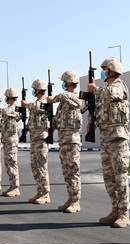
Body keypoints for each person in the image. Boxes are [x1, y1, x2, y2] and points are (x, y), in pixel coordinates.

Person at [88, 58, 130, 228]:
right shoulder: (104, 90)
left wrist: (95, 90)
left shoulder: (119, 85)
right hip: (106, 138)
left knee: (120, 177)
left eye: (104, 69)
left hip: (118, 139)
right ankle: (115, 210)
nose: (102, 72)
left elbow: (113, 93)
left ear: (112, 70)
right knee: (109, 178)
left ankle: (124, 214)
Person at [48, 71, 82, 213]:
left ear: (68, 83)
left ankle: (76, 202)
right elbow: (57, 120)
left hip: (72, 141)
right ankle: (70, 198)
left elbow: (75, 102)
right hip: (63, 140)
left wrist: (53, 98)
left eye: (64, 82)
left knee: (73, 171)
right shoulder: (63, 103)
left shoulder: (75, 97)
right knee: (66, 172)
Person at [22, 79, 51, 204]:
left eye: (34, 89)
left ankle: (45, 194)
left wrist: (26, 105)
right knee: (35, 166)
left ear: (38, 90)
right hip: (34, 139)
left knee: (41, 166)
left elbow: (39, 108)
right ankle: (40, 191)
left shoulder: (44, 102)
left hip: (41, 138)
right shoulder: (37, 102)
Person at [0, 88, 21, 197]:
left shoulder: (15, 109)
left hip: (12, 141)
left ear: (9, 98)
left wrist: (1, 111)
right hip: (6, 140)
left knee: (12, 163)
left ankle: (15, 187)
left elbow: (15, 114)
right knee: (8, 164)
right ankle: (12, 186)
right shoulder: (7, 110)